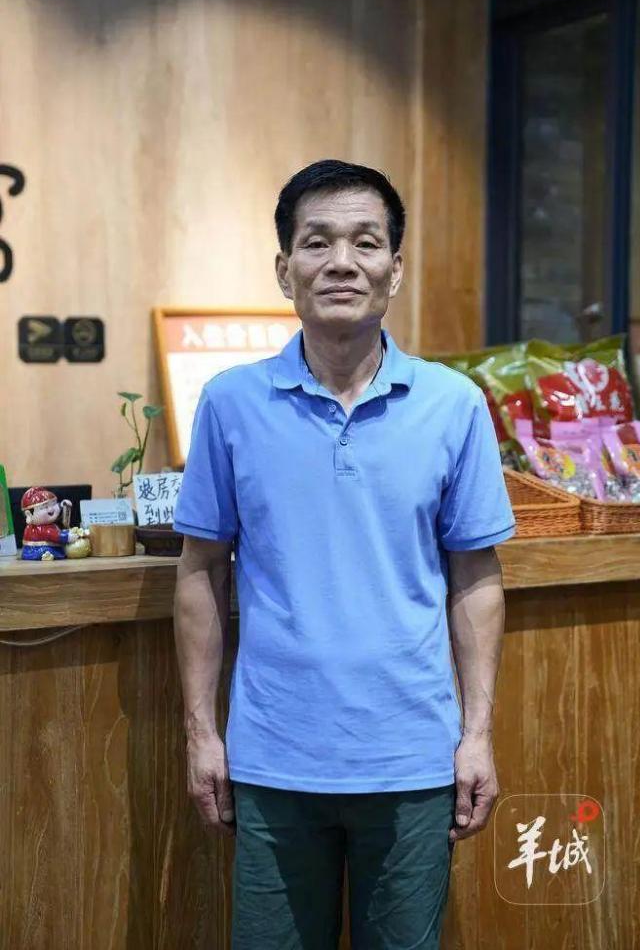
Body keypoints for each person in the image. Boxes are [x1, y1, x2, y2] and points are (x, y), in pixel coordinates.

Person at [173, 159, 515, 949]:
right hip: (273, 759)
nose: (341, 262)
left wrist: (477, 733)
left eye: (366, 242)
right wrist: (201, 733)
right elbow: (200, 573)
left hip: (413, 760)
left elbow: (475, 578)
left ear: (395, 269)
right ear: (283, 268)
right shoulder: (230, 403)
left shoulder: (453, 405)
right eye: (316, 241)